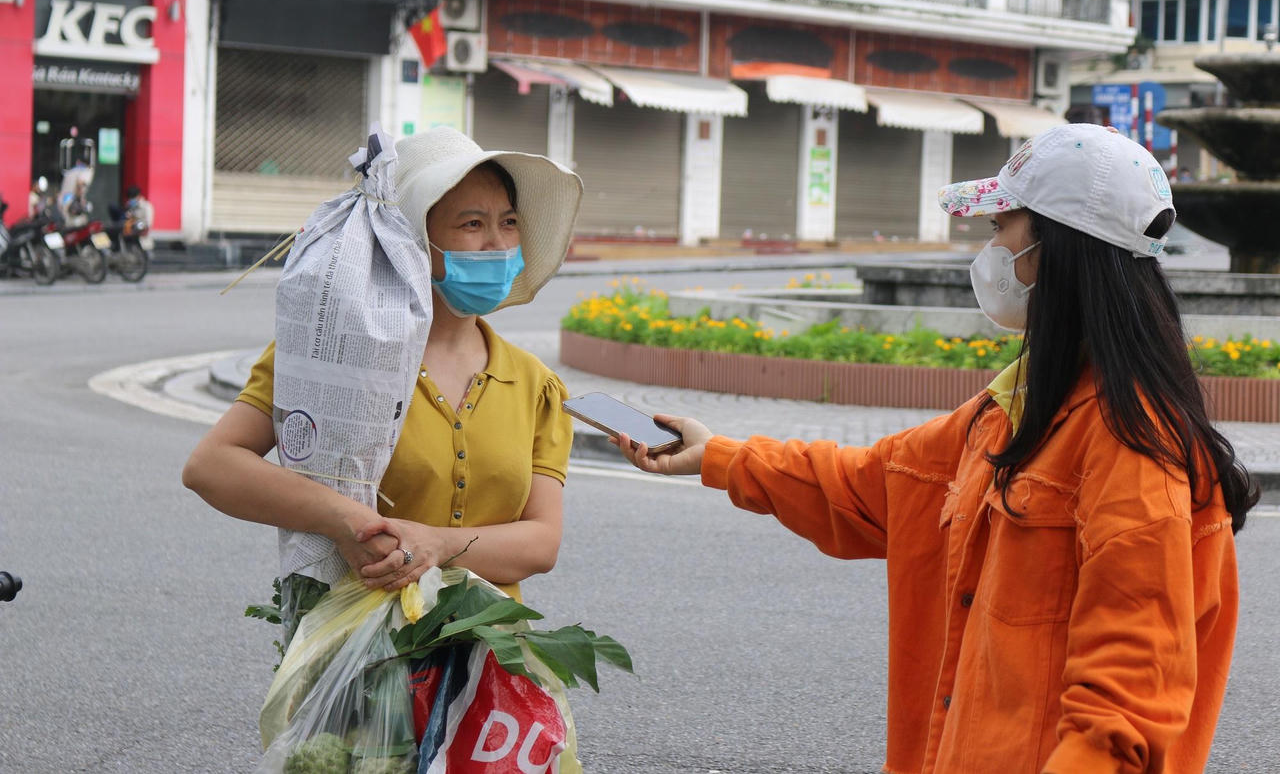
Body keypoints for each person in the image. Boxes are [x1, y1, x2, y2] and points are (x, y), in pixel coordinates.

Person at [613, 124, 1258, 773]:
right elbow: (870, 481)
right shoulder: (1009, 411)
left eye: (1001, 226)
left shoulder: (1134, 450)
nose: (989, 250)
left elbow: (1119, 721)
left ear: (1053, 248)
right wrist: (720, 455)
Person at [182, 126, 584, 610]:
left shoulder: (535, 385)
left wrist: (439, 547)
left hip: (489, 661)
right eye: (473, 224)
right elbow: (212, 467)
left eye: (510, 222)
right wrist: (344, 519)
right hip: (352, 654)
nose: (498, 244)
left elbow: (542, 542)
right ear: (414, 237)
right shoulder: (325, 350)